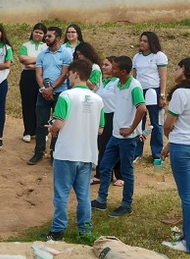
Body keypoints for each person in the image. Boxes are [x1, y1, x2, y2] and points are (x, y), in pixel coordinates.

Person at [46, 60, 105, 241]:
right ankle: (85, 230)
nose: (68, 77)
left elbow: (58, 124)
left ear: (76, 74)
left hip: (66, 153)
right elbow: (100, 130)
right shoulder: (98, 100)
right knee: (84, 195)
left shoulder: (66, 96)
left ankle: (57, 231)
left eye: (70, 74)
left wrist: (52, 129)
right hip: (87, 154)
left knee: (61, 194)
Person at [161, 58, 190, 253]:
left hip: (184, 148)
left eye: (177, 67)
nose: (175, 71)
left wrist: (170, 137)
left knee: (188, 196)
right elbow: (189, 123)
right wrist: (171, 143)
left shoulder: (181, 93)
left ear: (185, 70)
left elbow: (169, 124)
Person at [91, 56, 146, 217]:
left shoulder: (134, 86)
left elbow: (142, 109)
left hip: (128, 138)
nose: (111, 70)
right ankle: (101, 200)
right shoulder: (117, 84)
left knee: (126, 171)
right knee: (105, 166)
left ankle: (126, 205)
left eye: (114, 68)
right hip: (116, 135)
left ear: (123, 71)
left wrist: (131, 129)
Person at [28, 26, 72, 165]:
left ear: (57, 38)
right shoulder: (42, 54)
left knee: (57, 123)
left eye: (49, 36)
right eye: (46, 36)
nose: (46, 38)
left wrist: (51, 88)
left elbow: (64, 74)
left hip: (60, 93)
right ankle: (39, 152)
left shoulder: (66, 54)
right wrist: (44, 89)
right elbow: (38, 74)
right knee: (41, 123)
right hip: (43, 93)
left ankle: (55, 152)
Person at [132, 31, 168, 161]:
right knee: (138, 122)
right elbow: (134, 76)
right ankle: (137, 151)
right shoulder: (137, 57)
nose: (142, 43)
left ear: (151, 42)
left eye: (145, 41)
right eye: (141, 40)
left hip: (154, 91)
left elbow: (163, 77)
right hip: (140, 90)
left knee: (156, 122)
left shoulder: (159, 56)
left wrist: (162, 94)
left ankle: (157, 153)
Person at [94, 56, 123, 186]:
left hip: (114, 116)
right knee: (102, 145)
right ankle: (101, 174)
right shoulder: (104, 82)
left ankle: (120, 175)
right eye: (103, 64)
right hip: (103, 115)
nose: (103, 67)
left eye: (107, 65)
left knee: (115, 145)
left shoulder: (118, 83)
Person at [18, 23, 47, 143]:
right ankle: (28, 131)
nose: (38, 35)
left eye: (41, 33)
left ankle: (42, 131)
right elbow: (23, 59)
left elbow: (47, 61)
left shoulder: (46, 46)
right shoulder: (25, 45)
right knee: (28, 104)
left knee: (41, 105)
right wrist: (39, 60)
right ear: (32, 32)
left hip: (42, 76)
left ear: (44, 35)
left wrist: (32, 63)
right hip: (28, 77)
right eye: (36, 32)